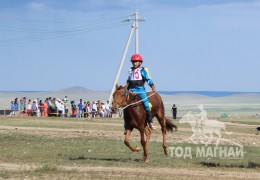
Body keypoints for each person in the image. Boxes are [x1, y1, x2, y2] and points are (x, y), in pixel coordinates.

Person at [126, 53, 156, 130]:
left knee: (146, 104)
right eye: (133, 62)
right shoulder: (130, 71)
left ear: (140, 62)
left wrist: (152, 87)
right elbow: (128, 82)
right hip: (131, 91)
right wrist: (126, 89)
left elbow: (148, 79)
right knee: (126, 105)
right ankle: (126, 123)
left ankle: (150, 122)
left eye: (136, 62)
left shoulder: (143, 71)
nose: (134, 63)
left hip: (141, 91)